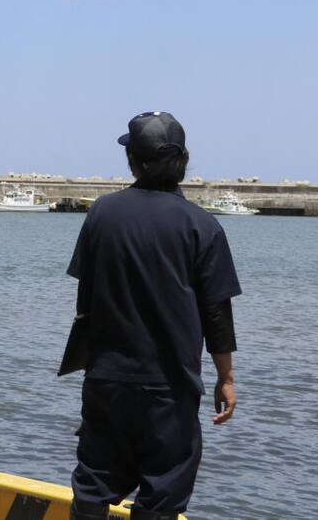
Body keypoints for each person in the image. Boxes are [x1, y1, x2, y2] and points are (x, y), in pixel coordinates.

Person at [63, 111, 240, 520]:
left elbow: (84, 301)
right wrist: (226, 378)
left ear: (134, 162)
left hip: (106, 379)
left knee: (93, 485)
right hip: (170, 387)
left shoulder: (101, 214)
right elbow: (217, 312)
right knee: (162, 496)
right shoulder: (202, 226)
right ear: (185, 159)